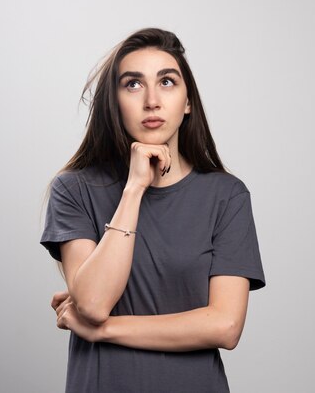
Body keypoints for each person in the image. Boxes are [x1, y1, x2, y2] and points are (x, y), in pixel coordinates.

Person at [40, 27, 266, 393]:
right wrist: (134, 190)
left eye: (167, 82)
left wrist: (105, 329)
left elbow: (225, 326)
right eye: (132, 84)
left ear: (187, 101)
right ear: (114, 101)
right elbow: (95, 302)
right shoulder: (75, 189)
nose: (151, 101)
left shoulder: (227, 196)